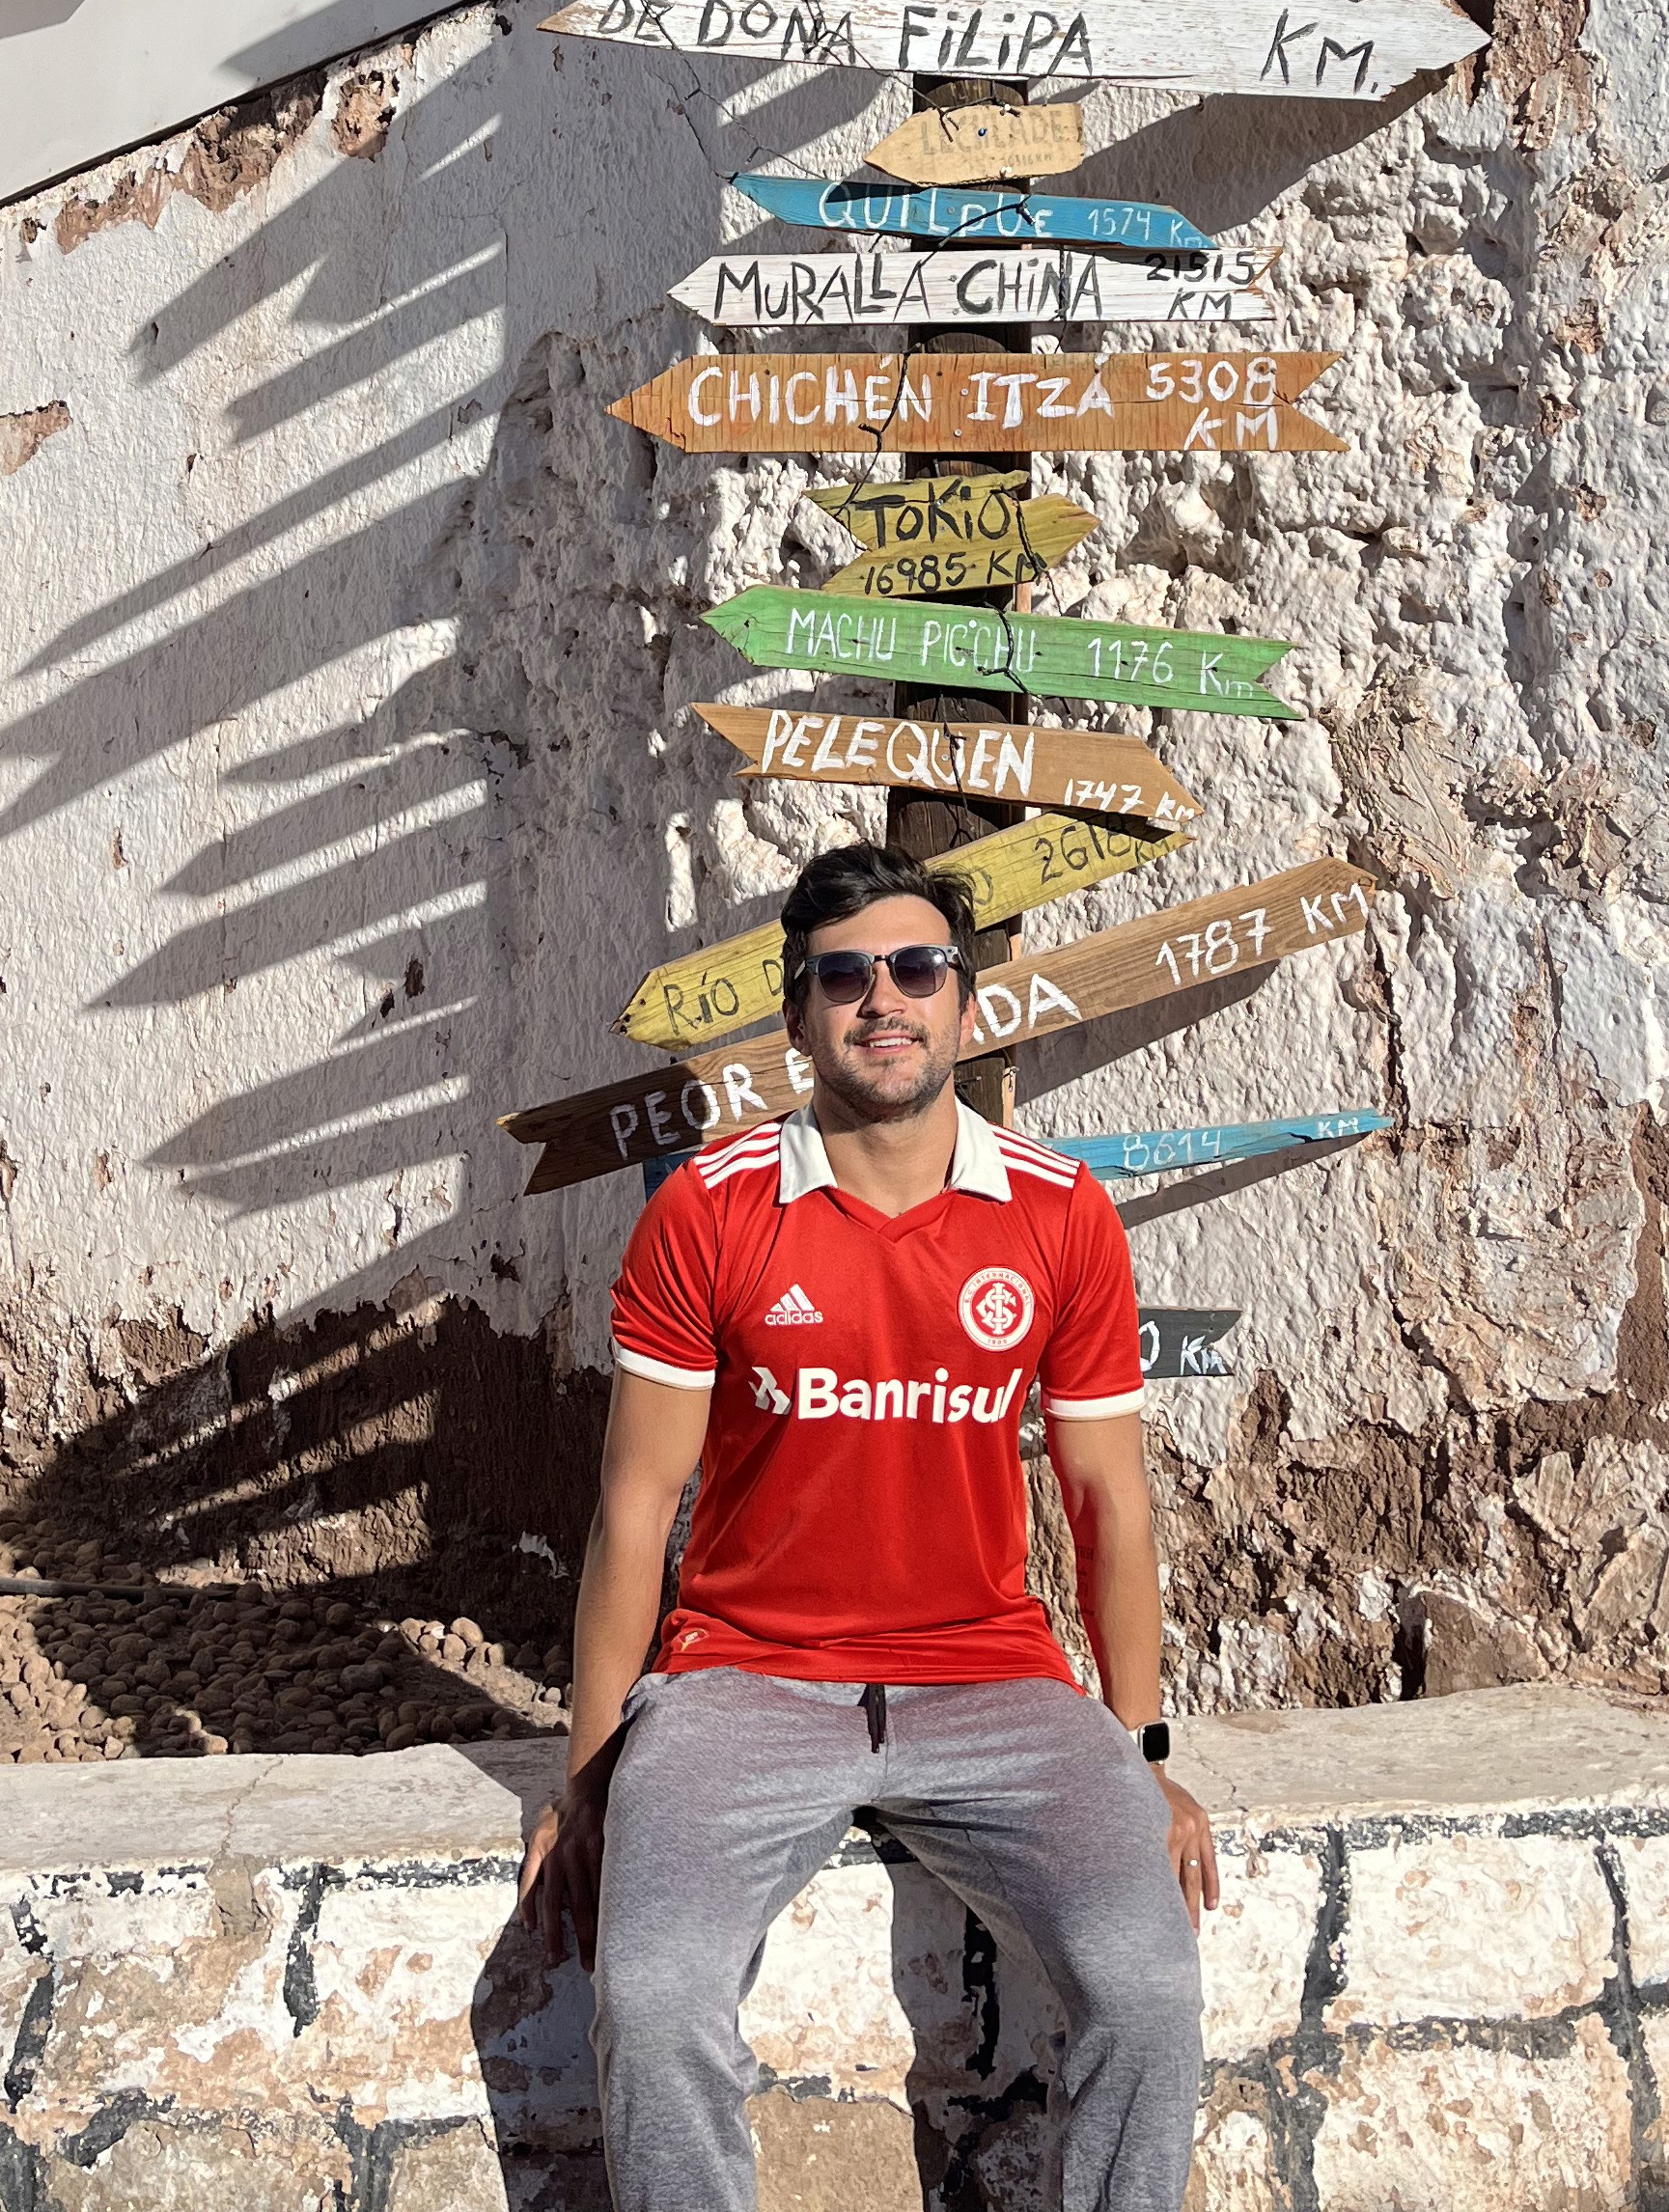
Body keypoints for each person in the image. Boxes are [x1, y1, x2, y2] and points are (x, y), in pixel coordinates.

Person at [517, 843, 1215, 2212]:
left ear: (965, 1007)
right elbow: (634, 1502)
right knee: (652, 2002)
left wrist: (1142, 1754)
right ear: (797, 1018)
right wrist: (589, 1770)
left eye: (916, 969)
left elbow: (1108, 1502)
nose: (881, 999)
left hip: (996, 1684)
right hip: (742, 1685)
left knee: (1147, 1981)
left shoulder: (1060, 1215)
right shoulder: (708, 1216)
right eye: (844, 977)